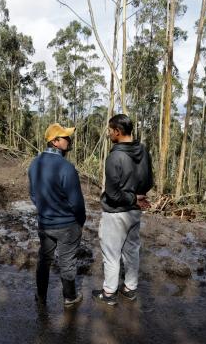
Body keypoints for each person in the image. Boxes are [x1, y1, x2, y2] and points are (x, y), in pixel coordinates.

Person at [93, 114, 153, 306]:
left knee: (111, 255)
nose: (109, 133)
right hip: (135, 212)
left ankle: (109, 293)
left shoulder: (114, 157)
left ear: (117, 132)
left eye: (110, 131)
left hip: (115, 213)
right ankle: (130, 288)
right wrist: (138, 196)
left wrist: (132, 197)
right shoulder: (143, 150)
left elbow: (112, 194)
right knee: (132, 250)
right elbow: (149, 182)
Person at [28, 123, 86, 308]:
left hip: (45, 223)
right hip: (67, 225)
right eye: (65, 137)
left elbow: (33, 195)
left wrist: (45, 210)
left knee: (44, 260)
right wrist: (80, 220)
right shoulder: (66, 167)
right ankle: (70, 297)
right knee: (67, 262)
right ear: (54, 141)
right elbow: (76, 202)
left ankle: (41, 296)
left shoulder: (34, 164)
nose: (69, 140)